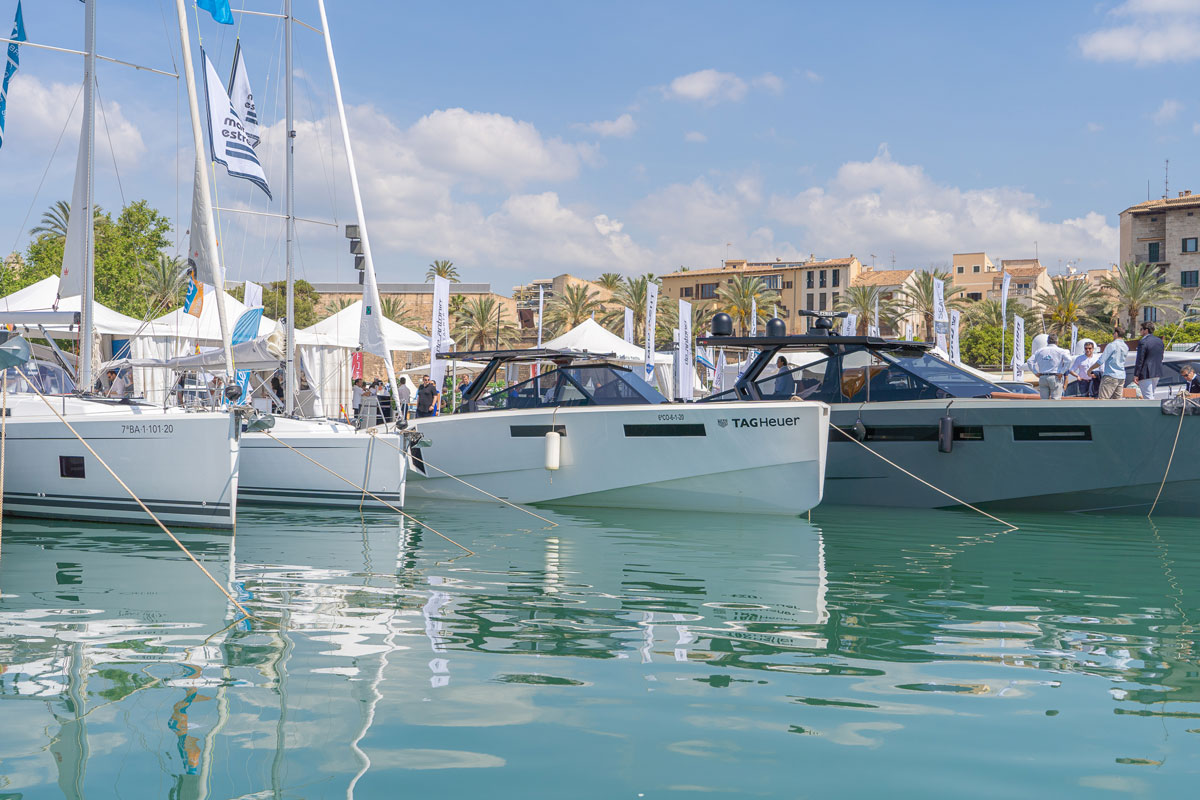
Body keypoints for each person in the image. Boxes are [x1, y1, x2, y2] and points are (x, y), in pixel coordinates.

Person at [1024, 333, 1072, 399]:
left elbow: (1029, 361)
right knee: (1056, 400)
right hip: (1055, 376)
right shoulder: (1061, 351)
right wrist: (1062, 372)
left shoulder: (1040, 351)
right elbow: (1069, 360)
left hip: (1043, 377)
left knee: (1044, 400)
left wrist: (1035, 372)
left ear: (1047, 341)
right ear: (1057, 341)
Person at [1097, 326, 1131, 400]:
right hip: (1121, 376)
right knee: (1117, 402)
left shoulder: (1112, 345)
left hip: (1110, 375)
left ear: (1116, 333)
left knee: (1103, 400)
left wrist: (1090, 370)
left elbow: (1101, 361)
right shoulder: (1125, 346)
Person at [1134, 321, 1165, 400]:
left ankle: (1151, 412)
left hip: (1145, 372)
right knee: (1152, 395)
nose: (1140, 331)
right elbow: (1161, 356)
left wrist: (1136, 374)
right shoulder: (1159, 341)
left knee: (1148, 397)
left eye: (1141, 329)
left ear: (1146, 330)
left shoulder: (1143, 342)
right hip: (1157, 371)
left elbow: (1140, 359)